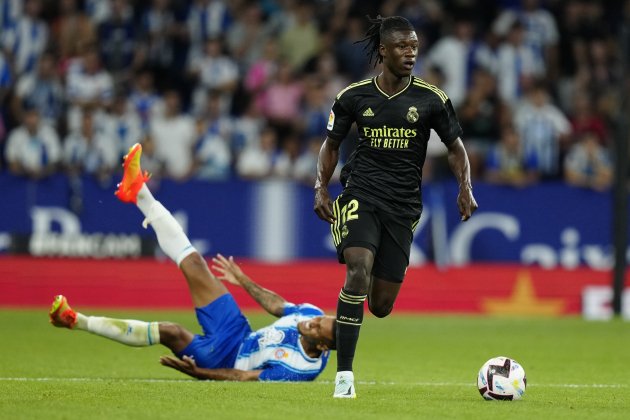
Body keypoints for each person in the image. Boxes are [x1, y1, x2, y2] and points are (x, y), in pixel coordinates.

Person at [50, 143, 336, 382]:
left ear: (322, 346)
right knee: (197, 263)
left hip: (222, 357)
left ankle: (76, 321)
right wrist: (243, 280)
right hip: (237, 331)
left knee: (170, 331)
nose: (311, 322)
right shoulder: (310, 313)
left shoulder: (301, 369)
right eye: (318, 319)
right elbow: (278, 306)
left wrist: (200, 372)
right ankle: (137, 191)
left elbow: (242, 378)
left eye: (316, 328)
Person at [313, 16, 478, 398]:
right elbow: (331, 145)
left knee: (382, 305)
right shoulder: (353, 97)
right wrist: (321, 187)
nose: (411, 53)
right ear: (383, 50)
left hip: (403, 207)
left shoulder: (431, 99)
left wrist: (464, 187)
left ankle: (340, 313)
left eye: (415, 46)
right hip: (361, 194)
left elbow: (456, 148)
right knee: (357, 270)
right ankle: (344, 377)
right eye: (403, 47)